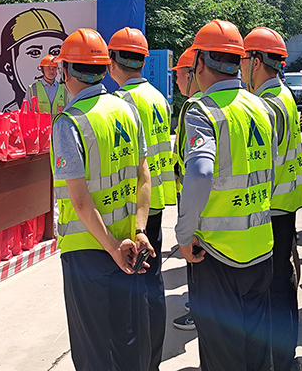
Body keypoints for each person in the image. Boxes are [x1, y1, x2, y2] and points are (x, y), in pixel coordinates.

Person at [176, 19, 277, 371]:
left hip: (216, 254)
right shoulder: (261, 107)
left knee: (222, 356)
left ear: (200, 62)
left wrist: (184, 235)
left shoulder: (201, 110)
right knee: (256, 351)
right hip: (260, 246)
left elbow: (200, 172)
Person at [50, 28, 154, 371]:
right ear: (103, 68)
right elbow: (143, 176)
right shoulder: (126, 109)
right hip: (129, 244)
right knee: (127, 342)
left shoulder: (69, 123)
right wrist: (140, 230)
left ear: (66, 70)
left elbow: (80, 200)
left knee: (92, 350)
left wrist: (110, 246)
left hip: (88, 251)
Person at [242, 27, 302, 371]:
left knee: (274, 288)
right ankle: (285, 356)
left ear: (256, 61)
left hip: (271, 208)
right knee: (282, 282)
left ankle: (279, 360)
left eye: (243, 59)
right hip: (285, 203)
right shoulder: (282, 95)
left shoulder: (264, 104)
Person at [107, 27, 174, 371]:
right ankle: (154, 359)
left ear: (112, 61)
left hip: (135, 211)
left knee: (135, 292)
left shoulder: (121, 102)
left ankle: (142, 362)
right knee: (154, 284)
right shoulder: (157, 97)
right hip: (156, 201)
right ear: (144, 61)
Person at [170, 46, 200, 332]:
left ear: (191, 74)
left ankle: (198, 310)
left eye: (179, 74)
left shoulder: (196, 108)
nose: (176, 80)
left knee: (196, 256)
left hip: (193, 197)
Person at [0, 8, 68, 111]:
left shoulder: (63, 90)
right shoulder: (31, 90)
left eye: (55, 52)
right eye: (34, 53)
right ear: (9, 67)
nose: (48, 59)